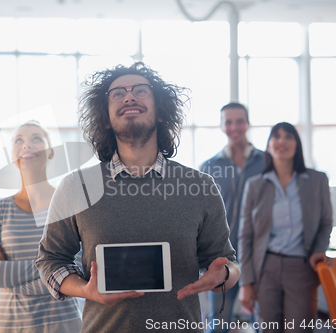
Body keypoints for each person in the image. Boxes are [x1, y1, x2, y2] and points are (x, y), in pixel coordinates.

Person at [36, 62, 240, 333]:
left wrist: (223, 275)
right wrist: (85, 289)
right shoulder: (76, 187)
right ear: (106, 119)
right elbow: (50, 260)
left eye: (141, 91)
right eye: (117, 93)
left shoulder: (200, 185)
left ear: (160, 113)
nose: (129, 96)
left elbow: (228, 263)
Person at [0, 121, 82, 333]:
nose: (27, 145)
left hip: (63, 323)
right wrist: (54, 267)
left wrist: (9, 280)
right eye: (19, 140)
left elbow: (78, 270)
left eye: (36, 138)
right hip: (9, 325)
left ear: (50, 152)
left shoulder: (70, 204)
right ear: (13, 155)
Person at [238, 122, 333, 333]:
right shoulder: (255, 185)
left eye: (288, 136)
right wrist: (246, 282)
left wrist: (319, 249)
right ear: (269, 145)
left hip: (301, 268)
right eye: (276, 136)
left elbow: (326, 222)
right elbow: (245, 237)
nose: (282, 141)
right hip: (265, 269)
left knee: (300, 329)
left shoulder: (317, 180)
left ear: (297, 145)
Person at [199, 102, 264, 332]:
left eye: (239, 121)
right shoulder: (209, 167)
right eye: (228, 121)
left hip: (260, 260)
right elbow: (201, 217)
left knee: (264, 325)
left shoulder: (267, 163)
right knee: (218, 324)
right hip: (222, 260)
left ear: (247, 123)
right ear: (222, 126)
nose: (234, 127)